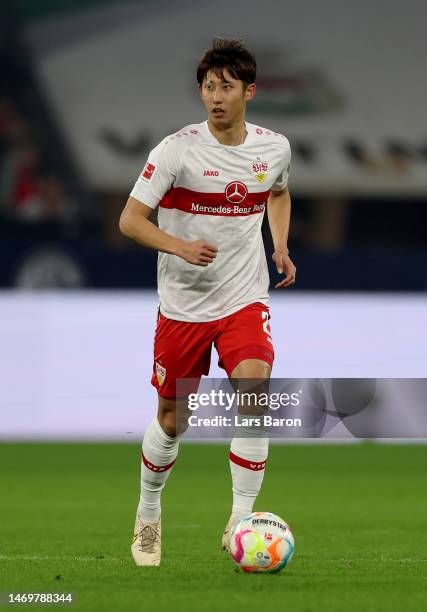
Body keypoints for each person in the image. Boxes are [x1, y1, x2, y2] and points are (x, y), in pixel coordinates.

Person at [119, 37, 296, 567]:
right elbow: (129, 220)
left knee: (255, 392)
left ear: (249, 92)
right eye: (208, 87)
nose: (215, 96)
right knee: (173, 420)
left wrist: (279, 244)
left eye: (226, 87)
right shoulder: (176, 150)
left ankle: (240, 520)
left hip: (244, 296)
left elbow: (279, 192)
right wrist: (179, 245)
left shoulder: (274, 148)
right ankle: (148, 515)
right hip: (182, 307)